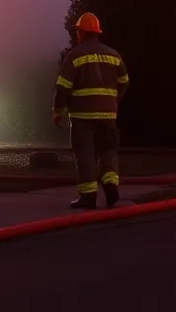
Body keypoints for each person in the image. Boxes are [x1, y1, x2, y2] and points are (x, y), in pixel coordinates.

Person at [53, 12, 129, 209]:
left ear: (82, 33)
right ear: (97, 32)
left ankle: (88, 196)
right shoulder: (113, 55)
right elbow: (124, 81)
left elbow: (63, 87)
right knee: (108, 149)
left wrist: (58, 110)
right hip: (108, 113)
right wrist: (113, 100)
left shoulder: (75, 56)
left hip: (82, 115)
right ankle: (111, 183)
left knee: (85, 153)